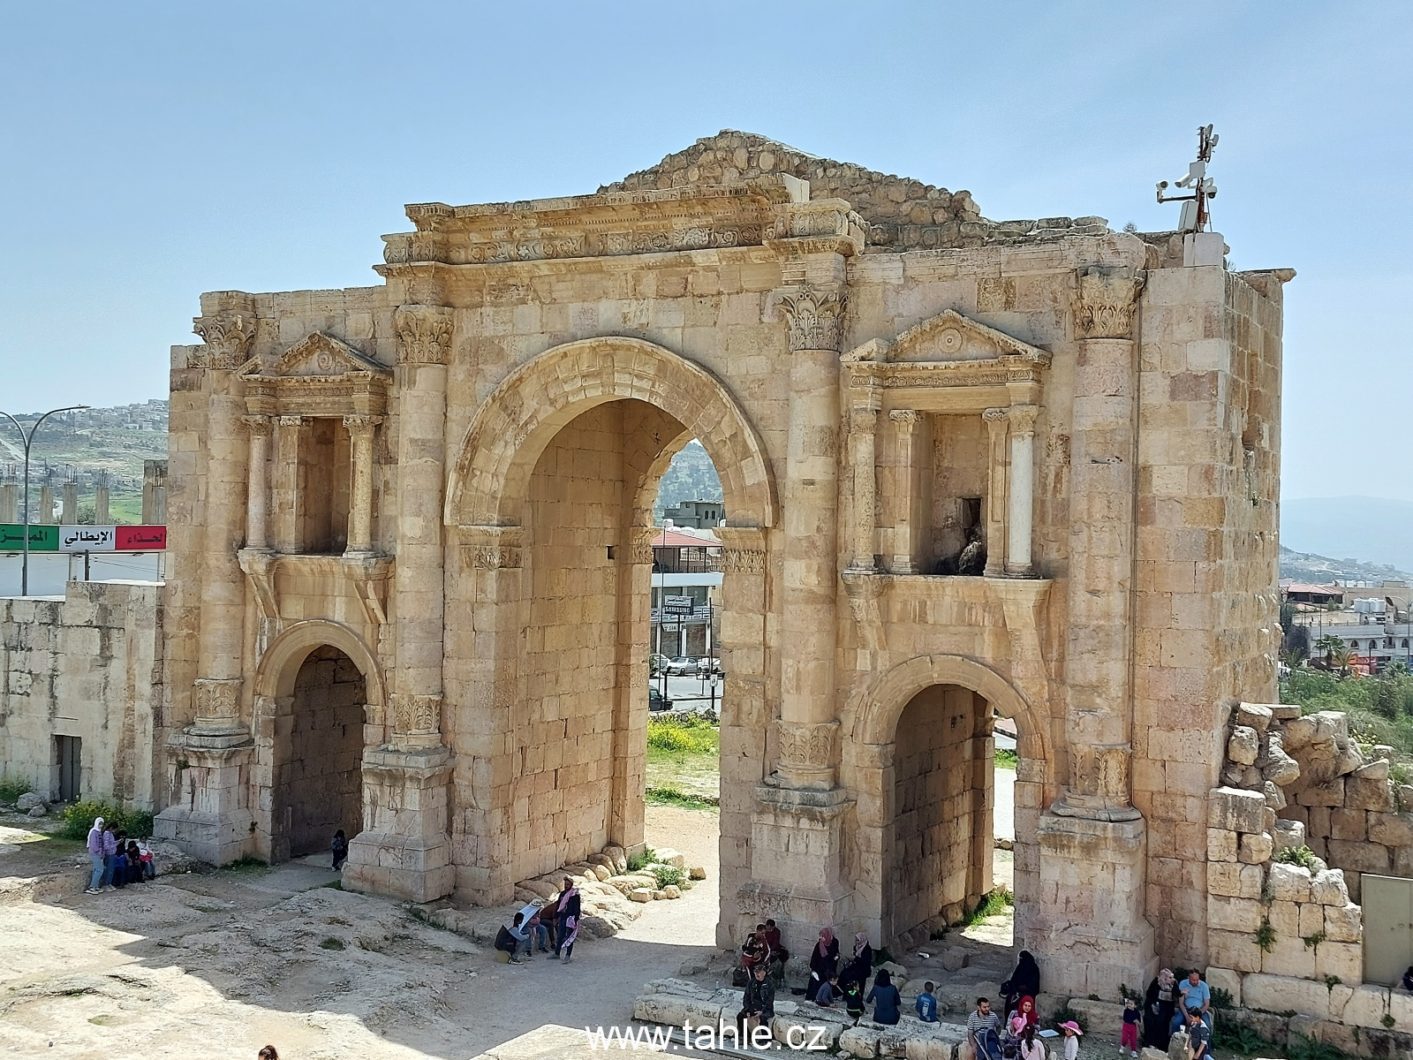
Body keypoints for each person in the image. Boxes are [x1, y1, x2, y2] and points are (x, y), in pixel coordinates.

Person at [735, 963, 775, 1037]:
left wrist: (762, 1011)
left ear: (764, 973)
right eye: (756, 972)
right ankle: (745, 1035)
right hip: (753, 1006)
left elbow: (770, 1001)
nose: (757, 974)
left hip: (765, 1008)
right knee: (740, 1016)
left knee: (763, 1019)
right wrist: (747, 1009)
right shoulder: (751, 982)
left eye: (759, 972)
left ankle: (765, 1040)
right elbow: (746, 997)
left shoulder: (769, 984)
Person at [1143, 968, 1177, 1049]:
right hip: (1154, 1004)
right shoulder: (1157, 981)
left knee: (1162, 1021)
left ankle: (1161, 1045)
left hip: (1167, 1007)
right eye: (1169, 977)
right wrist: (1154, 1005)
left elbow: (1176, 994)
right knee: (1149, 1019)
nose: (1171, 979)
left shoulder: (1174, 983)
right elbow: (1150, 994)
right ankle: (1150, 1043)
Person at [1001, 950, 1041, 1017]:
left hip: (1027, 995)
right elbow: (1014, 979)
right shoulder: (1020, 967)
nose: (1021, 960)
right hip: (1015, 993)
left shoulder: (1033, 969)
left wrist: (1021, 988)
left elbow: (1033, 985)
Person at [1171, 969, 1211, 1034]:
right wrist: (1187, 1017)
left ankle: (1207, 1044)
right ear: (1188, 978)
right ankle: (1173, 1041)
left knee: (1207, 1025)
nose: (1195, 982)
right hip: (1186, 1009)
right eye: (1193, 980)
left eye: (1197, 980)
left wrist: (1197, 1015)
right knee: (1176, 1022)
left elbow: (1207, 1004)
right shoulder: (1183, 984)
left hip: (1200, 1010)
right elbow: (1181, 1003)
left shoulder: (1204, 986)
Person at [805, 927, 839, 1001]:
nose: (821, 938)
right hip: (820, 966)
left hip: (830, 966)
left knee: (828, 976)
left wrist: (835, 958)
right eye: (821, 936)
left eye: (823, 936)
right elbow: (814, 957)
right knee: (816, 977)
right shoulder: (819, 944)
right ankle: (813, 996)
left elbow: (835, 955)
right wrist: (813, 968)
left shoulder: (834, 943)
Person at [554, 876, 581, 963]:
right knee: (560, 936)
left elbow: (577, 908)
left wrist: (576, 919)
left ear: (571, 885)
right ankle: (557, 954)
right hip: (563, 917)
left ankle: (568, 955)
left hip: (570, 918)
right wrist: (556, 916)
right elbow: (558, 905)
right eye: (565, 884)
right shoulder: (562, 894)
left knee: (569, 937)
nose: (566, 886)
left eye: (568, 884)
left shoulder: (575, 895)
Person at [85, 816, 107, 894]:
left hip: (98, 853)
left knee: (96, 869)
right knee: (99, 869)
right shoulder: (94, 832)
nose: (101, 825)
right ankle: (92, 887)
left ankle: (96, 886)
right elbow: (93, 845)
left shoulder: (99, 832)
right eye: (100, 823)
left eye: (102, 824)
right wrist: (99, 852)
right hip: (95, 853)